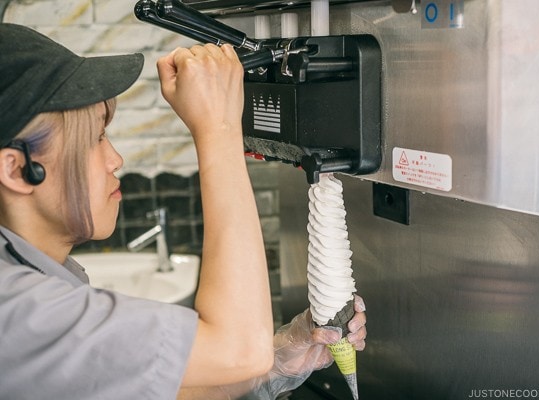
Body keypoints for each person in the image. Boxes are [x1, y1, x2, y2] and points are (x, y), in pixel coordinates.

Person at [0, 23, 366, 399]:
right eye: (94, 138)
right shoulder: (18, 310)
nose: (115, 160)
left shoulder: (42, 283)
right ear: (16, 169)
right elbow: (241, 350)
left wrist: (279, 361)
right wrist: (218, 128)